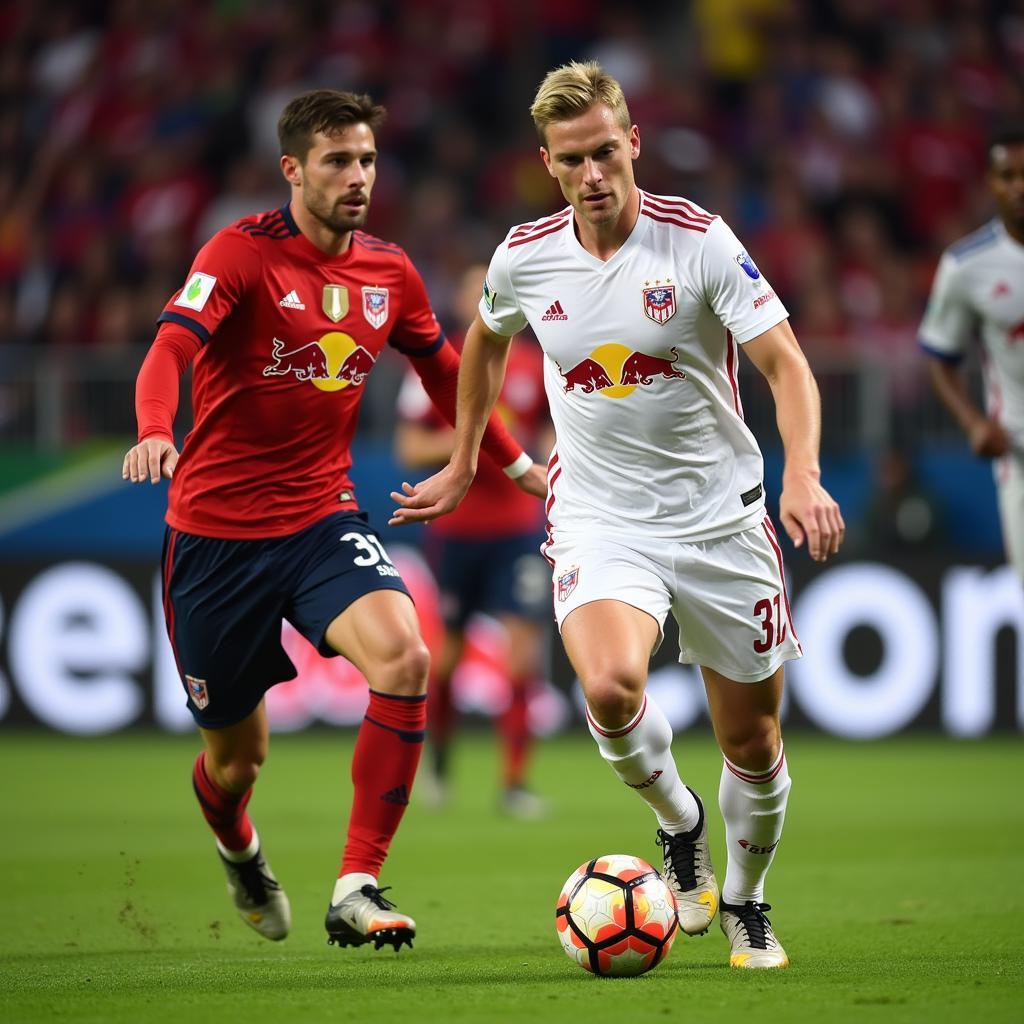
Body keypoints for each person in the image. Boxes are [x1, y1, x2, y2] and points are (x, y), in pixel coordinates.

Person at [390, 62, 844, 969]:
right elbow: (483, 338)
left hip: (722, 519)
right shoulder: (525, 256)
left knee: (752, 742)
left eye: (606, 152)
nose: (593, 174)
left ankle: (747, 900)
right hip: (601, 516)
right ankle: (679, 825)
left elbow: (787, 365)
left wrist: (805, 476)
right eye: (572, 160)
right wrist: (467, 453)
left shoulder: (700, 244)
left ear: (632, 143)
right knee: (608, 688)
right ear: (548, 165)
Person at [122, 89, 545, 952]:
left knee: (407, 655)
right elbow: (170, 347)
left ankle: (357, 882)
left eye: (367, 160)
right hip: (215, 538)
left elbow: (446, 370)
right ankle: (238, 846)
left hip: (322, 517)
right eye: (338, 161)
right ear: (293, 170)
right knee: (237, 762)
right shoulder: (239, 254)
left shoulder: (390, 270)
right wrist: (156, 430)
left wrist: (514, 463)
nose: (358, 177)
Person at [395, 263, 552, 817]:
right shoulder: (440, 365)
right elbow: (410, 448)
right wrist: (474, 436)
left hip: (518, 527)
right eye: (476, 289)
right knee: (447, 659)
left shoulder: (540, 361)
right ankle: (437, 769)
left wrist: (542, 457)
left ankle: (515, 784)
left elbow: (555, 440)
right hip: (456, 528)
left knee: (521, 656)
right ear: (464, 302)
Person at [919, 126, 1024, 585]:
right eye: (1008, 175)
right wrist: (974, 422)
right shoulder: (967, 266)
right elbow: (940, 356)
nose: (1020, 186)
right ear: (991, 183)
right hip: (1020, 453)